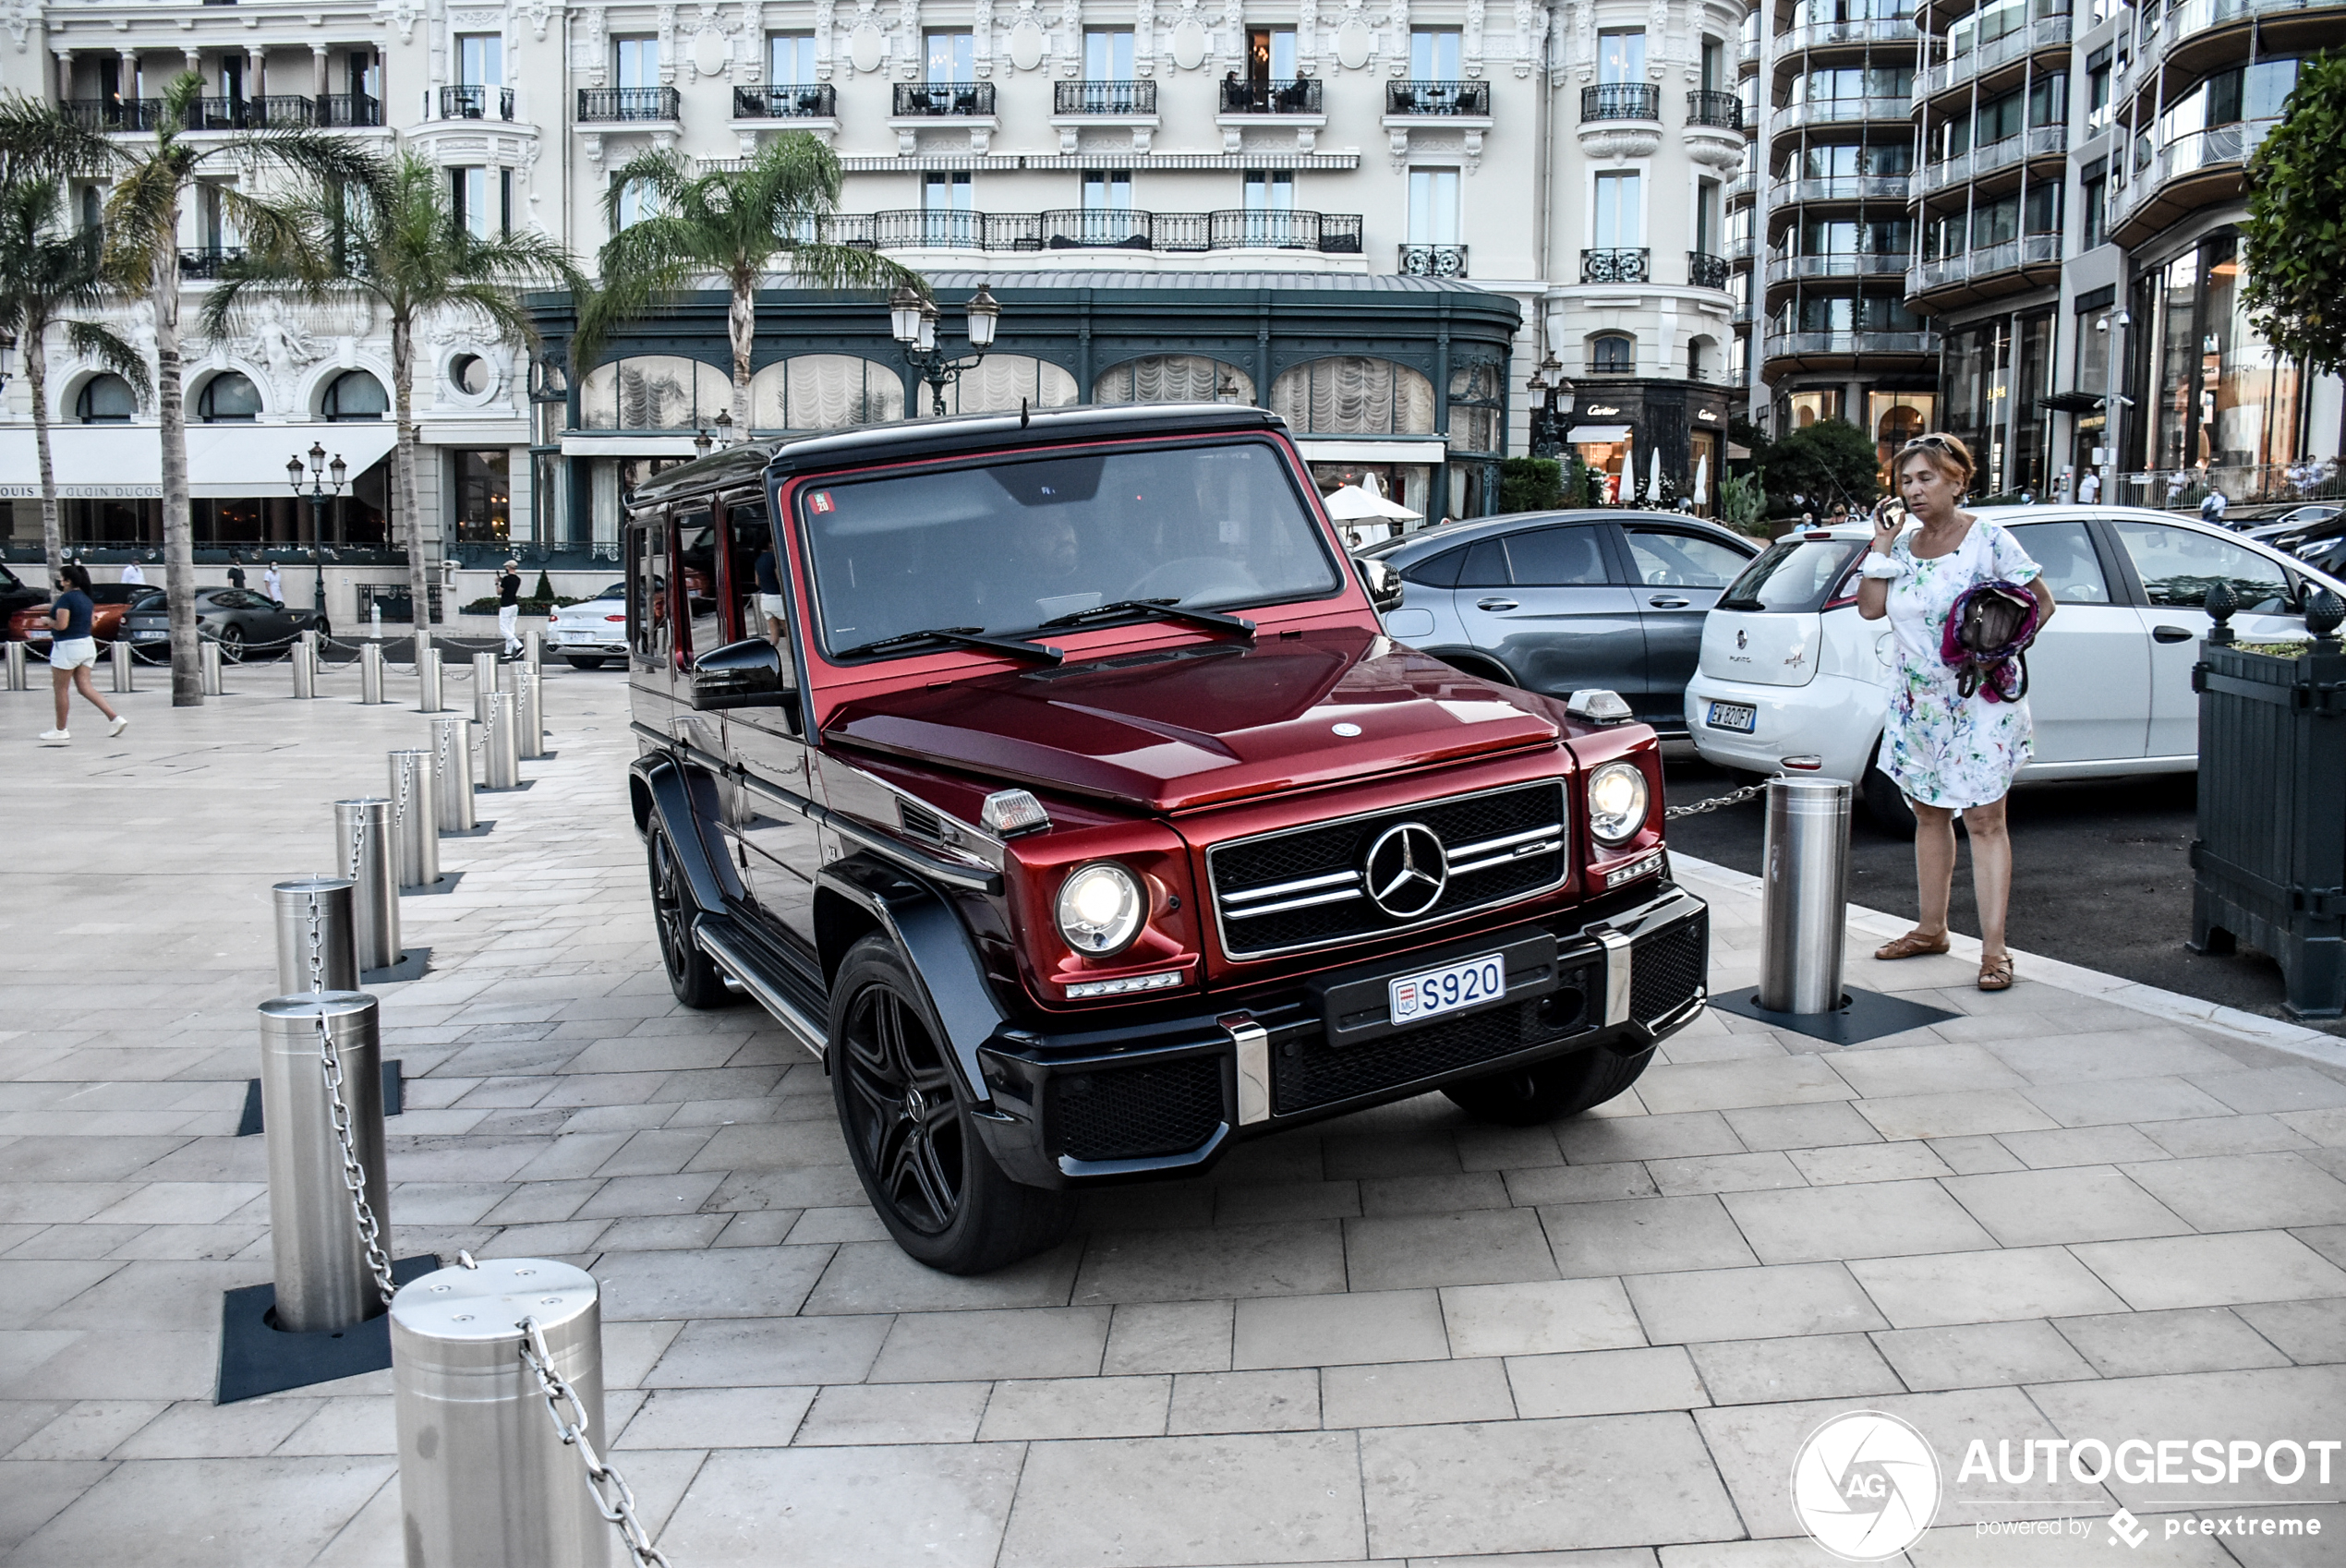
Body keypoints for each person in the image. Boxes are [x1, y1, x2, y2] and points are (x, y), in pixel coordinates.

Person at [1856, 433, 2056, 992]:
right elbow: (1872, 608)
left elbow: (2040, 602)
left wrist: (1999, 653)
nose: (1914, 491)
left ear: (1956, 481)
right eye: (1905, 481)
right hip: (1917, 703)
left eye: (1926, 479)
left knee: (1985, 820)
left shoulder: (1987, 538)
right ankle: (1930, 929)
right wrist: (1881, 541)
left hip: (1979, 700)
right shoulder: (1899, 547)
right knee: (1927, 814)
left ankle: (1995, 950)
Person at [38, 563, 127, 745]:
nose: (59, 581)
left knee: (61, 689)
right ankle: (114, 718)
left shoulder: (66, 600)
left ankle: (60, 729)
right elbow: (92, 623)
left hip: (68, 646)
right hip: (86, 644)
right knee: (85, 686)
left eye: (61, 578)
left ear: (68, 581)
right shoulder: (87, 599)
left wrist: (48, 621)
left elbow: (62, 625)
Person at [753, 537, 787, 645]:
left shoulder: (758, 560)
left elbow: (757, 582)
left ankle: (771, 653)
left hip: (765, 599)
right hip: (777, 598)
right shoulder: (773, 558)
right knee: (789, 632)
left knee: (774, 634)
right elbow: (779, 578)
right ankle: (793, 657)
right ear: (769, 544)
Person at [496, 559, 523, 656]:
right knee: (510, 629)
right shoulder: (517, 579)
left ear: (509, 567)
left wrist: (497, 583)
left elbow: (499, 592)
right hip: (514, 605)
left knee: (504, 629)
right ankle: (508, 651)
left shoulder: (506, 579)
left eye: (506, 567)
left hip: (506, 605)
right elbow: (509, 585)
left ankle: (519, 646)